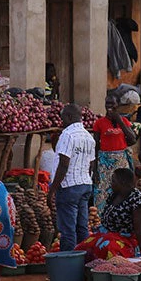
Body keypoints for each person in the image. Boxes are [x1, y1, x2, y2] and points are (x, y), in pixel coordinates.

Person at [50, 103, 96, 251]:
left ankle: (68, 265)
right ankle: (85, 262)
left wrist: (52, 190)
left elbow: (64, 164)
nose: (61, 122)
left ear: (69, 117)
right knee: (82, 227)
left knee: (68, 230)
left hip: (69, 186)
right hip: (85, 185)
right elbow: (91, 164)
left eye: (63, 118)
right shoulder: (89, 137)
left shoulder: (68, 135)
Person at [75, 167, 141, 260]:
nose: (111, 184)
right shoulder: (113, 194)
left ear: (123, 183)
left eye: (114, 181)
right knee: (81, 249)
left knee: (107, 249)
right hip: (105, 235)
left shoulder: (136, 199)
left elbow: (139, 229)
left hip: (124, 240)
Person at [92, 95, 137, 213]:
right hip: (104, 161)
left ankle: (121, 216)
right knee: (103, 190)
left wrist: (120, 121)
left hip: (121, 160)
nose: (110, 107)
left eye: (112, 104)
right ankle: (101, 219)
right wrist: (95, 168)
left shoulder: (124, 121)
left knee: (123, 189)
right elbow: (96, 146)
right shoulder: (99, 123)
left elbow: (133, 138)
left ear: (117, 105)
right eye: (107, 104)